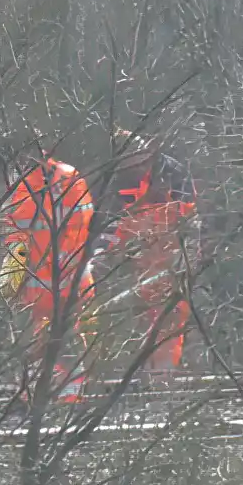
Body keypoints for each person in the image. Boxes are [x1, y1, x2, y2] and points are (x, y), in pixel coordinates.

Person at [101, 140, 204, 377]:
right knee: (133, 317)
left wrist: (186, 254)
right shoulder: (117, 178)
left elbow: (190, 219)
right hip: (136, 258)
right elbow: (110, 223)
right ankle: (131, 373)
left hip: (171, 258)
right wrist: (104, 254)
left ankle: (163, 376)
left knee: (170, 316)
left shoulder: (172, 174)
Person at [1, 152, 97, 396]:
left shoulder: (18, 188)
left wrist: (8, 288)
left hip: (37, 288)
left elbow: (15, 244)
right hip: (71, 282)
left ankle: (34, 398)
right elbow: (85, 228)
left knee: (33, 345)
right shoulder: (70, 177)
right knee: (69, 341)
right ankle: (69, 396)